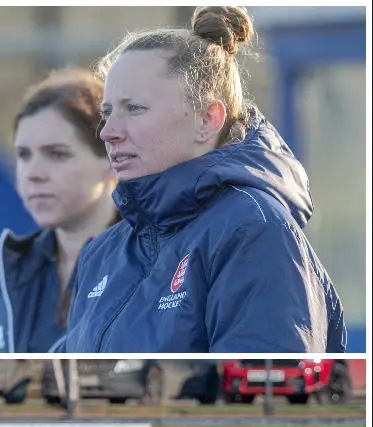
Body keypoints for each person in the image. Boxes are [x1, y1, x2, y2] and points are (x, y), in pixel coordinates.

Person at [63, 6, 345, 353]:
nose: (108, 132)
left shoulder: (254, 231)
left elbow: (259, 397)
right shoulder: (101, 253)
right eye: (107, 113)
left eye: (134, 108)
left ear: (208, 119)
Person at [0, 68, 118, 353]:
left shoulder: (150, 267)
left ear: (111, 158)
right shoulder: (2, 278)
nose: (33, 173)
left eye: (57, 154)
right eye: (24, 155)